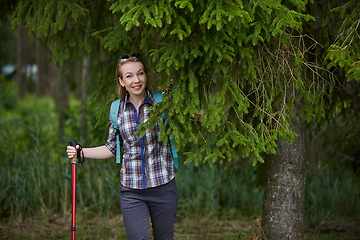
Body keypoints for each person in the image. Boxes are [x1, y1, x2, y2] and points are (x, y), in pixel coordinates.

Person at [66, 53, 178, 240]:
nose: (136, 80)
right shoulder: (116, 109)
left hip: (164, 186)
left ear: (146, 76)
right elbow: (112, 147)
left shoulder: (162, 103)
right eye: (129, 76)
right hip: (131, 191)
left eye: (140, 73)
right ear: (121, 81)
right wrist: (81, 152)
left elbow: (193, 117)